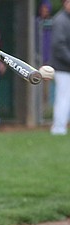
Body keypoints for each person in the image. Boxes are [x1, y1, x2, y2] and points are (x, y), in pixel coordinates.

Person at [50, 0, 70, 135]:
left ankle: (61, 127)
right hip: (62, 67)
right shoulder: (60, 20)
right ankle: (58, 128)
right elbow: (58, 45)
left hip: (66, 67)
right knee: (63, 98)